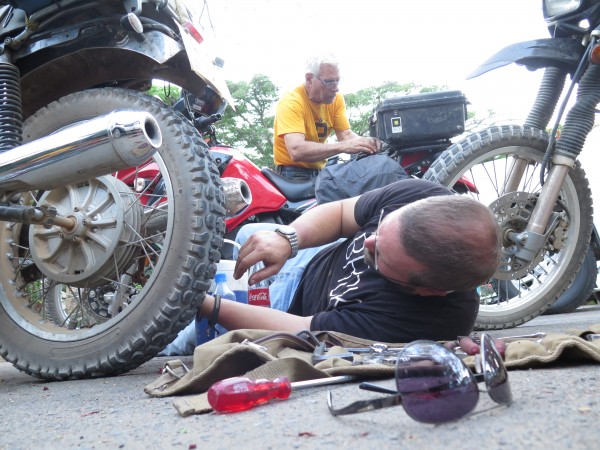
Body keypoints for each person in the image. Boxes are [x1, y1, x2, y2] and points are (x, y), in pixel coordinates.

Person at [193, 178, 501, 344]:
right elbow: (341, 214)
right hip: (312, 255)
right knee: (249, 232)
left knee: (181, 334)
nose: (368, 241)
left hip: (286, 309)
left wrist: (205, 305)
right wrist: (288, 240)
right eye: (380, 229)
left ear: (427, 291)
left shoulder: (426, 323)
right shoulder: (421, 196)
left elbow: (301, 328)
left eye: (380, 255)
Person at [273, 54, 381, 180]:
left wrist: (370, 144)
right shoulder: (291, 102)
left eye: (337, 81)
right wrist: (343, 146)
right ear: (309, 79)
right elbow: (296, 150)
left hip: (321, 171)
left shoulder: (336, 99)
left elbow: (345, 135)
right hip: (292, 174)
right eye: (329, 82)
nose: (336, 88)